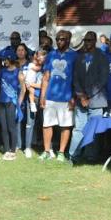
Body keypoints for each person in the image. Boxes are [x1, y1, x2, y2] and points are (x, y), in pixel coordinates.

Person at [70, 30, 109, 164]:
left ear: (95, 41)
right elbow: (75, 78)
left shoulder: (102, 57)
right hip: (81, 100)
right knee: (78, 128)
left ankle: (90, 156)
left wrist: (88, 96)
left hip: (96, 100)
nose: (87, 43)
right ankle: (73, 155)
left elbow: (103, 79)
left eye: (90, 40)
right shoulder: (79, 57)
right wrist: (81, 96)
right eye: (85, 40)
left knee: (93, 129)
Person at [40, 30, 77, 161]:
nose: (59, 41)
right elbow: (46, 77)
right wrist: (43, 96)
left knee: (65, 125)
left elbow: (76, 79)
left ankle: (61, 152)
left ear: (68, 40)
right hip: (50, 96)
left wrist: (73, 97)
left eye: (62, 39)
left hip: (66, 97)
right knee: (47, 124)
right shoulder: (51, 55)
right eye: (57, 39)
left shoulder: (74, 55)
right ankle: (46, 151)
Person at [0, 54, 25, 159]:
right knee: (3, 127)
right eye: (4, 60)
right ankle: (6, 149)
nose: (4, 61)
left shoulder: (19, 72)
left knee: (11, 127)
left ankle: (13, 150)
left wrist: (18, 103)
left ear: (11, 59)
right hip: (1, 102)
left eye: (6, 59)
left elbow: (23, 90)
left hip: (11, 103)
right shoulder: (2, 71)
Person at [22, 49, 45, 158]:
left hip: (44, 99)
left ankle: (48, 148)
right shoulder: (31, 66)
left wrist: (33, 84)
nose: (39, 58)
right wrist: (31, 85)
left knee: (46, 124)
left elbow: (44, 85)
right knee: (30, 123)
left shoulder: (47, 68)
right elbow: (27, 83)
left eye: (41, 56)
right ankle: (27, 147)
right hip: (33, 98)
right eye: (38, 55)